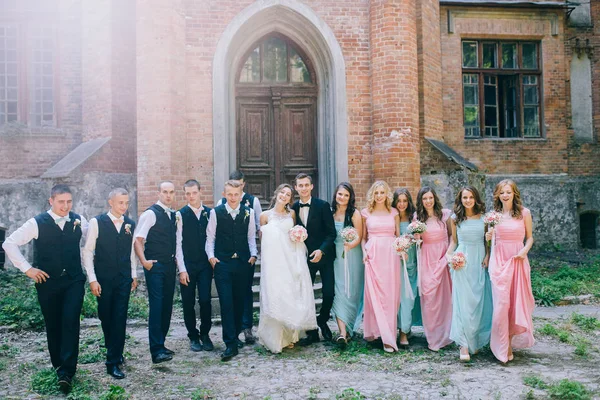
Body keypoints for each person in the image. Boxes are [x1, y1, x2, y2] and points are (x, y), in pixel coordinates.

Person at [2, 184, 88, 393]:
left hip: (74, 280)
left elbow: (91, 243)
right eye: (61, 202)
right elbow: (9, 243)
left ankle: (68, 370)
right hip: (47, 282)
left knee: (70, 320)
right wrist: (28, 269)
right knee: (53, 323)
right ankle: (59, 364)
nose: (65, 206)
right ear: (51, 201)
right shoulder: (37, 223)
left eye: (69, 202)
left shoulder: (79, 220)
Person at [82, 188, 137, 379]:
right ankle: (113, 348)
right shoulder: (97, 222)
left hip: (123, 278)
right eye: (120, 202)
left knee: (120, 318)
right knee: (106, 316)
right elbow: (88, 251)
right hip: (103, 279)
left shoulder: (130, 224)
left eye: (127, 202)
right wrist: (93, 279)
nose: (124, 206)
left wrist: (133, 274)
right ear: (111, 202)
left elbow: (130, 252)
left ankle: (113, 361)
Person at [257, 184, 317, 353]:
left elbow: (293, 235)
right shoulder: (264, 216)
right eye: (282, 192)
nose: (284, 195)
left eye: (288, 194)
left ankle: (290, 336)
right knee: (275, 295)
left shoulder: (292, 214)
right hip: (274, 263)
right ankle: (275, 338)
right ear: (277, 194)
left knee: (289, 294)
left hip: (290, 259)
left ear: (291, 199)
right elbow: (263, 241)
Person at [206, 180, 258, 361]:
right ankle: (229, 344)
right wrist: (212, 257)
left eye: (236, 194)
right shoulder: (216, 212)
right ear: (224, 194)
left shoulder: (248, 212)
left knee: (239, 302)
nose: (233, 197)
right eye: (229, 194)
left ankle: (235, 335)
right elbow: (210, 237)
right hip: (223, 264)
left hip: (243, 263)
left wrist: (253, 255)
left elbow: (251, 236)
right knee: (226, 303)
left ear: (241, 194)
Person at [486, 179, 535, 363]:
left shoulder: (524, 213)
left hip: (517, 260)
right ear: (497, 195)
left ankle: (509, 340)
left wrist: (523, 251)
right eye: (502, 192)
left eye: (508, 192)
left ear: (514, 193)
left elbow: (530, 238)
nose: (505, 195)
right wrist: (488, 236)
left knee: (515, 302)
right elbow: (491, 241)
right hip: (498, 260)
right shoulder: (493, 215)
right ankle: (501, 343)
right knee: (501, 304)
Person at [445, 186, 493, 361]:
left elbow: (487, 241)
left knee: (478, 301)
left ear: (476, 198)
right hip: (462, 262)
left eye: (471, 197)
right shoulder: (455, 219)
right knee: (462, 302)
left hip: (479, 260)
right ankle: (463, 345)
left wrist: (488, 255)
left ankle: (475, 341)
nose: (468, 200)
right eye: (465, 197)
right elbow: (454, 242)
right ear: (460, 199)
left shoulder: (484, 218)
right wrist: (449, 257)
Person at [133, 181, 177, 364]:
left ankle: (162, 344)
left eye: (171, 192)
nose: (168, 195)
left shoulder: (173, 215)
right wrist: (144, 262)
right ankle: (156, 350)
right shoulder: (151, 213)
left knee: (167, 306)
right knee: (157, 306)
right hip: (155, 266)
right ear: (159, 193)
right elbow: (138, 239)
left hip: (169, 266)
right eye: (165, 192)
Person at [216, 170, 262, 344]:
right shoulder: (221, 203)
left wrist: (254, 253)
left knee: (246, 292)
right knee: (230, 296)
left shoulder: (253, 202)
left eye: (239, 184)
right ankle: (233, 333)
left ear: (243, 184)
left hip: (244, 256)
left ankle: (247, 327)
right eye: (232, 184)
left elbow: (257, 228)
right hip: (227, 258)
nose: (236, 187)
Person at [291, 173, 337, 345]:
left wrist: (321, 251)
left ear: (311, 186)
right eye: (300, 185)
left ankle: (322, 320)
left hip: (324, 256)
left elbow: (331, 233)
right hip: (304, 259)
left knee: (329, 293)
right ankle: (311, 332)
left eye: (306, 185)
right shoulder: (293, 208)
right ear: (295, 188)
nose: (303, 188)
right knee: (304, 295)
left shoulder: (323, 206)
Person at [361, 181, 401, 353]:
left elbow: (398, 235)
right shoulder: (366, 213)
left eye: (382, 193)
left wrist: (402, 248)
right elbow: (363, 237)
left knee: (390, 295)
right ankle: (376, 332)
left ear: (387, 194)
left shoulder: (394, 212)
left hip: (391, 256)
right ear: (372, 194)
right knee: (374, 294)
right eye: (376, 193)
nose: (379, 196)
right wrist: (364, 252)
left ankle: (389, 335)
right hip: (373, 255)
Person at [176, 180, 214, 352]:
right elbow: (178, 243)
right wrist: (182, 269)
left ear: (200, 192)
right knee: (188, 301)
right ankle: (193, 335)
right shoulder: (180, 214)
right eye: (188, 193)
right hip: (188, 265)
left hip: (205, 264)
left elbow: (212, 238)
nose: (191, 196)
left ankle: (205, 334)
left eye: (194, 193)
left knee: (205, 299)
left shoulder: (210, 213)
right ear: (185, 194)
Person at [416, 186, 453, 352]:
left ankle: (446, 336)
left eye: (430, 198)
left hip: (443, 257)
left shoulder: (445, 215)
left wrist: (447, 256)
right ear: (421, 201)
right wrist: (415, 238)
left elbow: (453, 237)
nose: (428, 201)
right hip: (427, 259)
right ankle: (433, 338)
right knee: (429, 297)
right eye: (425, 199)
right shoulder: (418, 218)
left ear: (435, 198)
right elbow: (417, 241)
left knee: (444, 299)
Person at [330, 182, 364, 347]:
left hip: (352, 255)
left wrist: (351, 245)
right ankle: (342, 332)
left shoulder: (355, 214)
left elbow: (360, 235)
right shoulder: (330, 213)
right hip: (336, 256)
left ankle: (350, 327)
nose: (342, 198)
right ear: (335, 195)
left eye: (346, 195)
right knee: (339, 292)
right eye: (340, 194)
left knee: (352, 291)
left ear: (350, 197)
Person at [392, 188, 422, 347]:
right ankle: (399, 330)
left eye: (404, 201)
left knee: (408, 299)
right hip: (395, 263)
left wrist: (416, 240)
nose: (402, 204)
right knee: (397, 298)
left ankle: (405, 331)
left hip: (411, 263)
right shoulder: (392, 217)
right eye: (399, 201)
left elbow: (420, 238)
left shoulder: (414, 218)